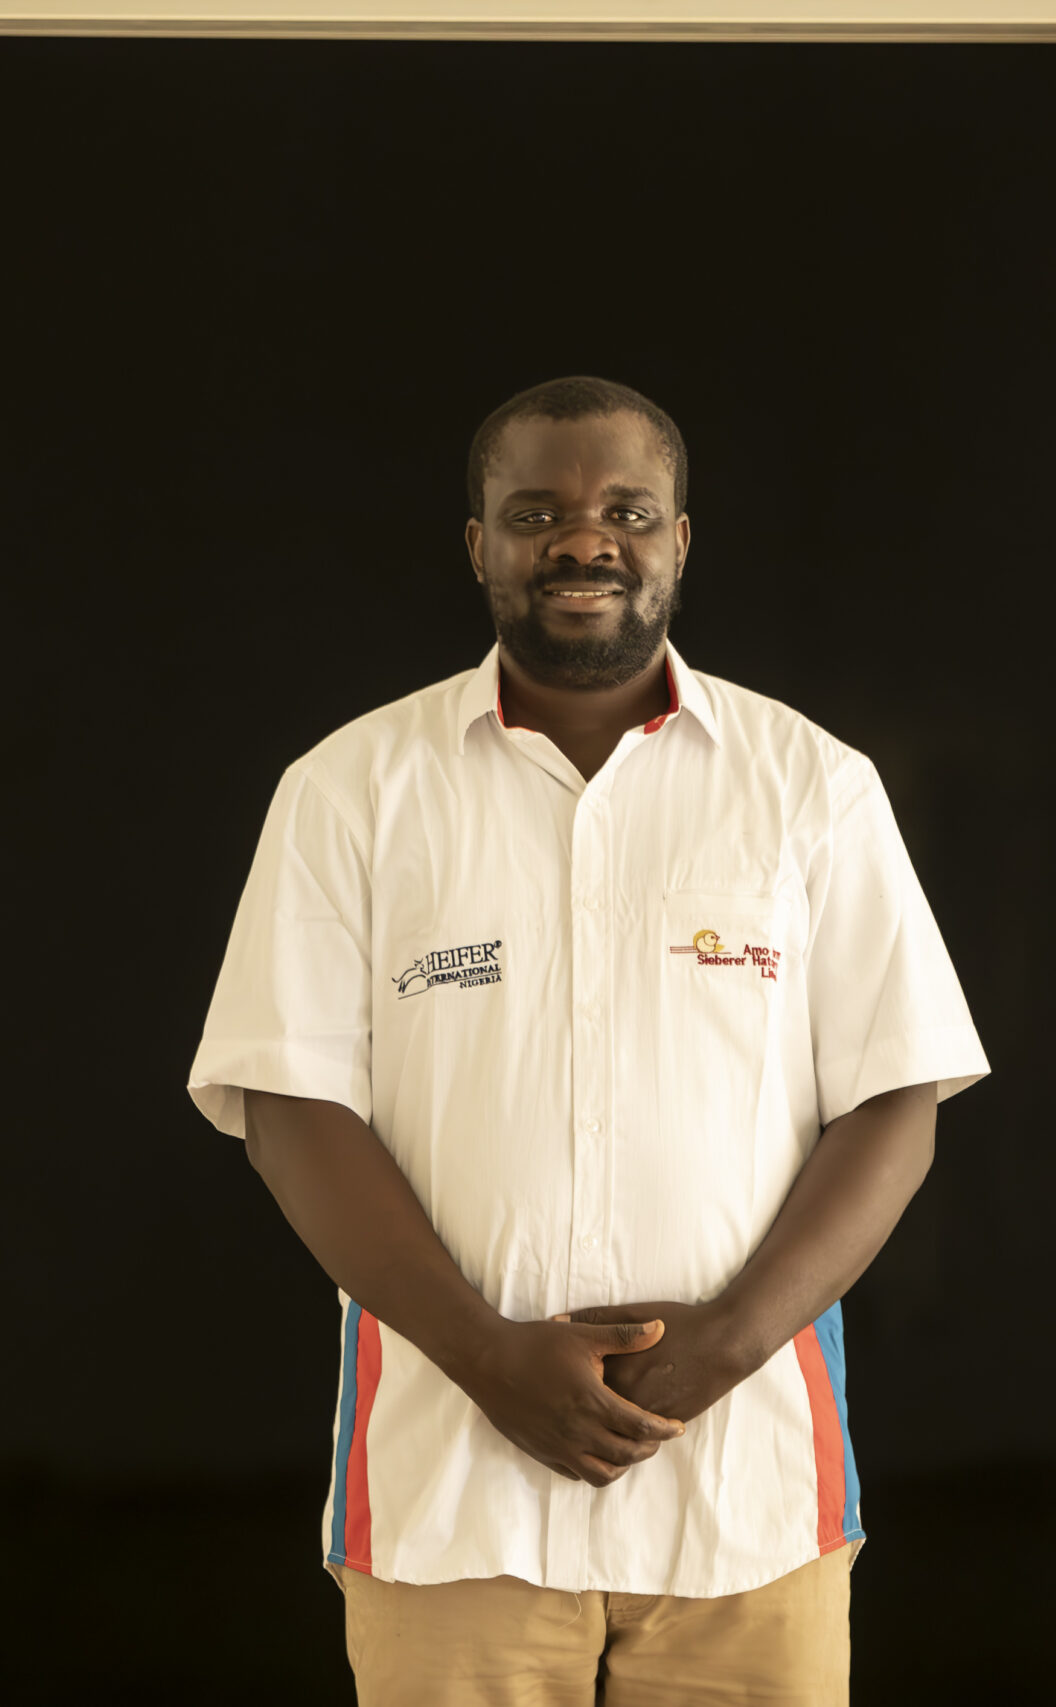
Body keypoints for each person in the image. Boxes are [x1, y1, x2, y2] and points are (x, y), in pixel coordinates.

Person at [186, 375, 990, 1706]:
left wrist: (725, 1344)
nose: (583, 541)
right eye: (536, 512)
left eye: (626, 509)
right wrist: (491, 1357)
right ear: (478, 545)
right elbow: (291, 1108)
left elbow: (897, 1102)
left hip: (750, 1495)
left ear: (680, 539)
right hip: (453, 1497)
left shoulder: (812, 787)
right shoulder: (348, 793)